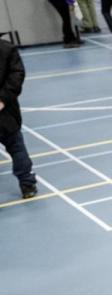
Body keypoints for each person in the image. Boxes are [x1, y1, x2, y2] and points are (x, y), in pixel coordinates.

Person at [0, 37, 36, 200]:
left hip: (6, 110)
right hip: (7, 110)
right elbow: (17, 74)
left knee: (16, 146)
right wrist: (3, 99)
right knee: (16, 147)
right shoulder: (7, 48)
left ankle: (27, 183)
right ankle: (27, 184)